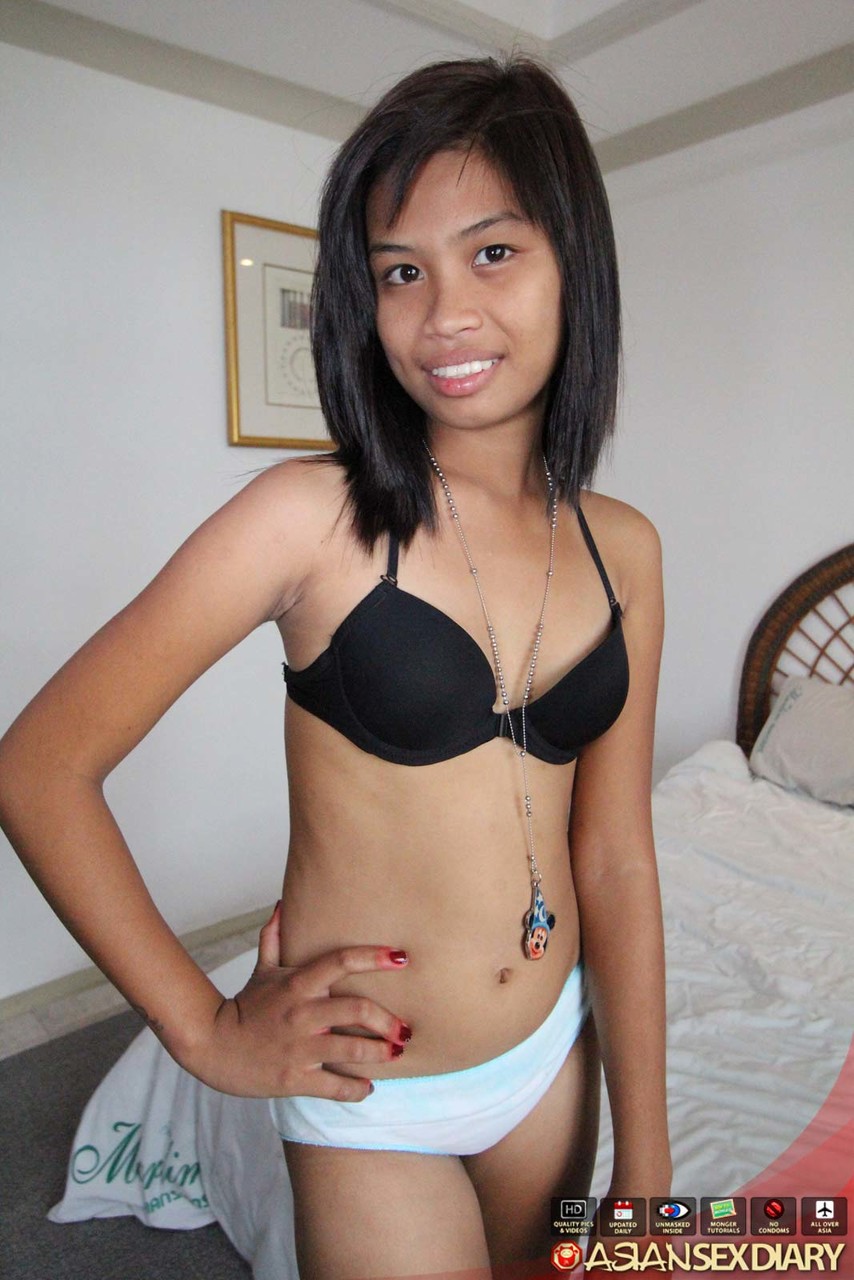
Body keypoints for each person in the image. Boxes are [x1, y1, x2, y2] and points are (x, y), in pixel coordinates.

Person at [0, 55, 670, 1279]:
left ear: (575, 262)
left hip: (549, 1061)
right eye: (399, 271)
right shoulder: (306, 518)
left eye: (491, 252)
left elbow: (615, 854)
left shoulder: (620, 545)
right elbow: (39, 766)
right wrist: (203, 1027)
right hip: (375, 1096)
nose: (443, 314)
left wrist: (650, 1155)